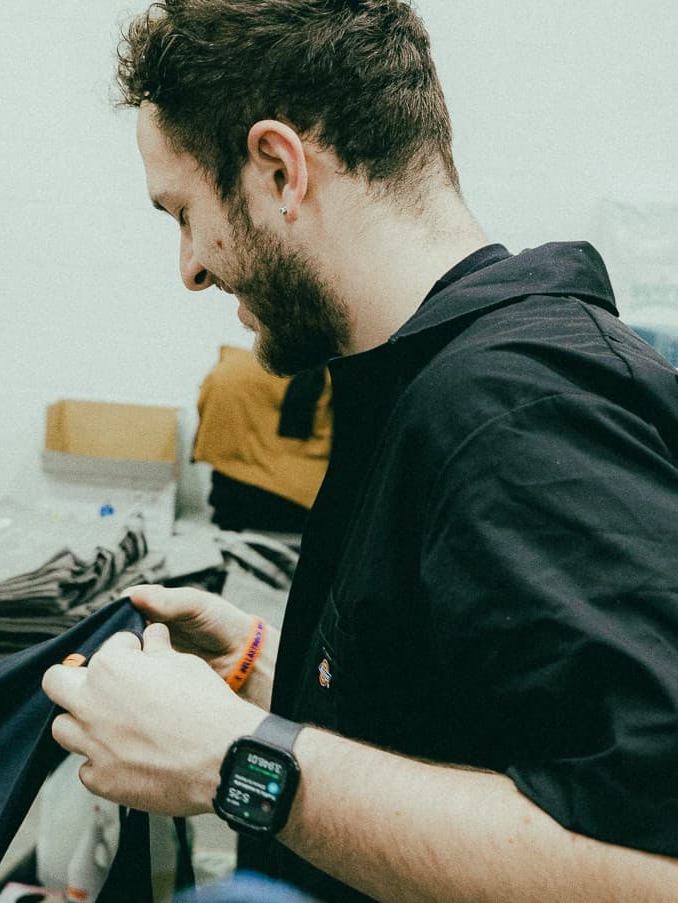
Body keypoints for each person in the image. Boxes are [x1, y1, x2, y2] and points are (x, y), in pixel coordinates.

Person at [40, 2, 678, 901]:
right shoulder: (420, 381)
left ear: (278, 169)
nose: (189, 265)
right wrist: (279, 675)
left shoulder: (514, 408)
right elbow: (488, 730)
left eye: (183, 213)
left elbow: (658, 864)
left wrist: (236, 758)